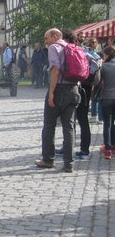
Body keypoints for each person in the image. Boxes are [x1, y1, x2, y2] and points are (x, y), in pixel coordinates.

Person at [35, 28, 81, 173]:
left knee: (49, 126)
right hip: (74, 89)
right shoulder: (72, 47)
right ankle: (69, 164)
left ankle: (48, 159)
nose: (45, 41)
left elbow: (55, 70)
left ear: (55, 36)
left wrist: (51, 94)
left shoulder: (54, 48)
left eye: (46, 38)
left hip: (59, 89)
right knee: (69, 127)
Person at [98, 46, 115, 159]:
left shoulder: (103, 66)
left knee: (107, 123)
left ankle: (108, 149)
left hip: (107, 97)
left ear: (107, 55)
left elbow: (98, 81)